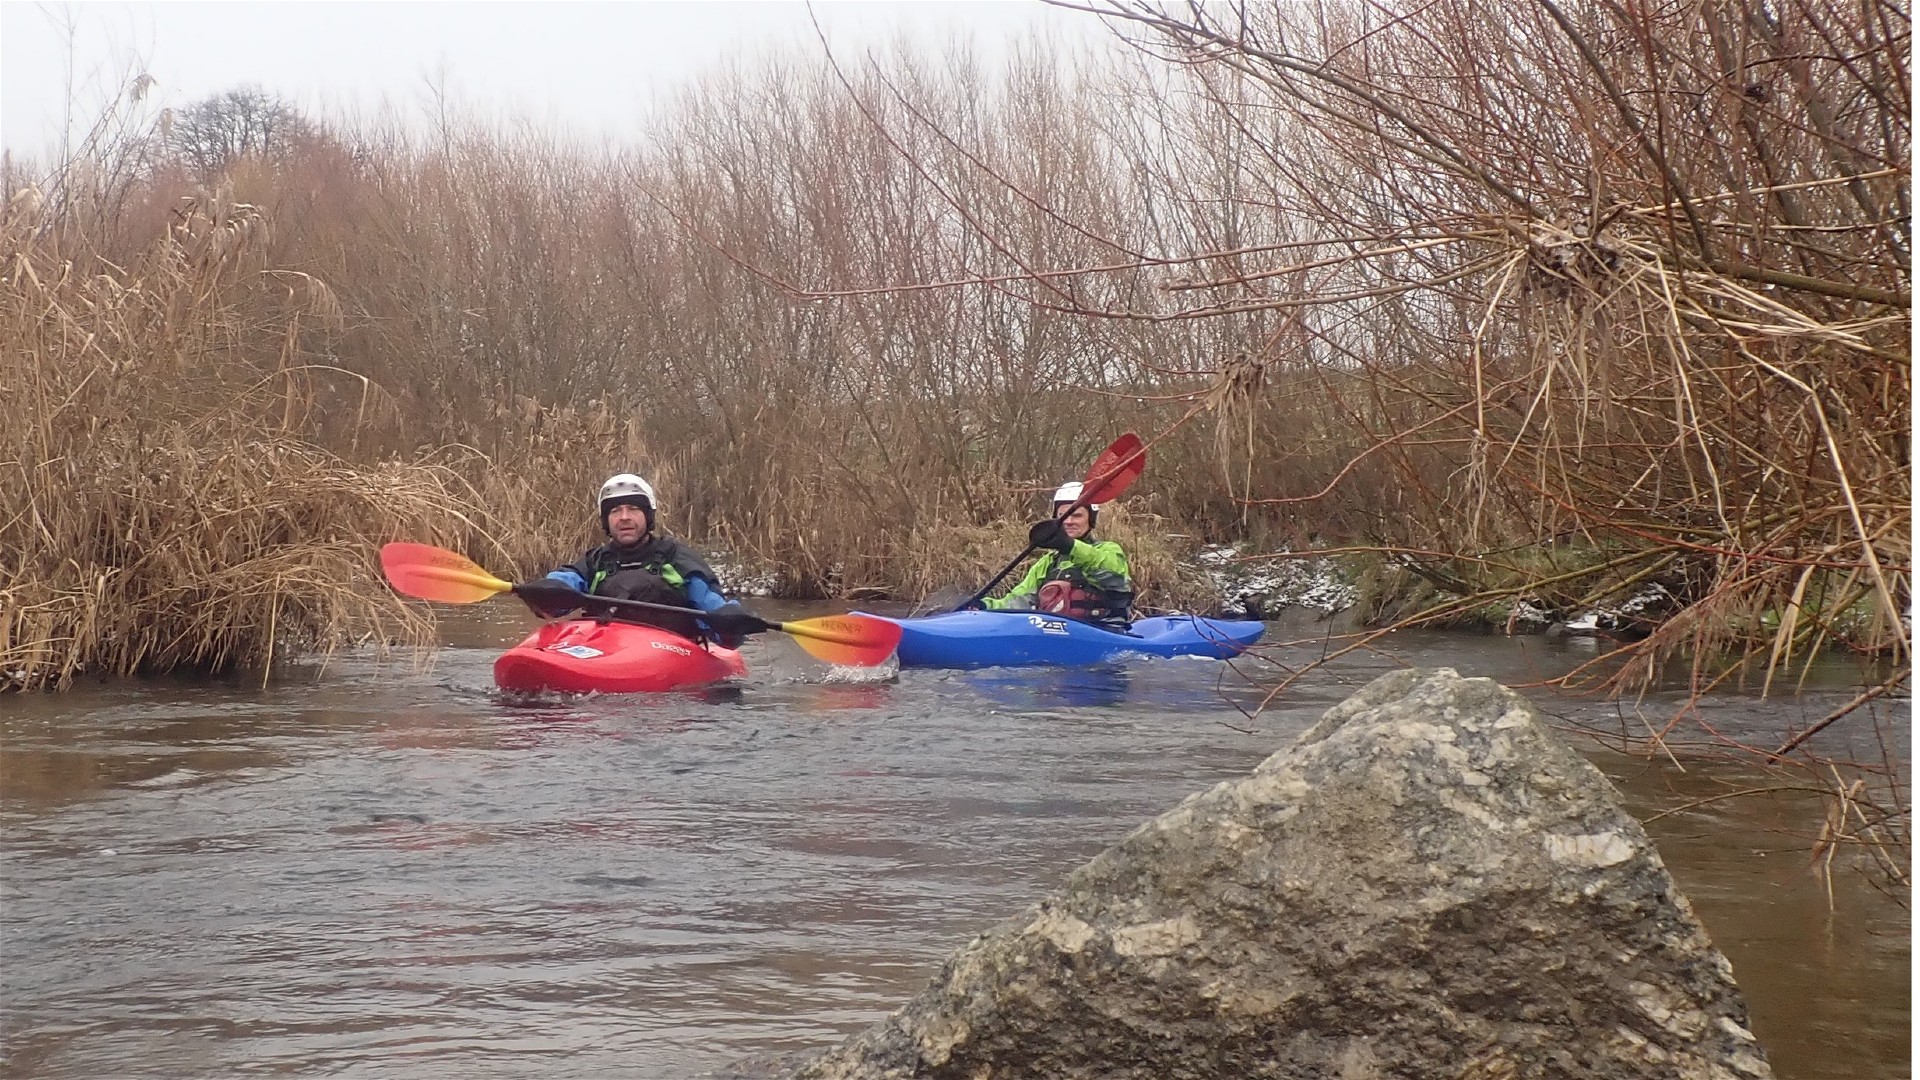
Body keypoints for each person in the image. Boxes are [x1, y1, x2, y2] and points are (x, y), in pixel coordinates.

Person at [529, 473, 757, 648]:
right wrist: (548, 589)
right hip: (608, 648)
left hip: (671, 650)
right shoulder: (596, 561)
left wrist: (729, 619)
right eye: (615, 511)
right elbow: (568, 579)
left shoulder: (677, 558)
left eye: (633, 509)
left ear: (648, 516)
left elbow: (710, 603)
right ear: (606, 520)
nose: (624, 517)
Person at [976, 481, 1133, 625]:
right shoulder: (1048, 562)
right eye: (1062, 516)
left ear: (1090, 520)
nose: (1069, 521)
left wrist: (1071, 546)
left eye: (1077, 516)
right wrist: (985, 606)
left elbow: (1112, 576)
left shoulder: (1109, 550)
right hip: (1058, 633)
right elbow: (1019, 601)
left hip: (1102, 631)